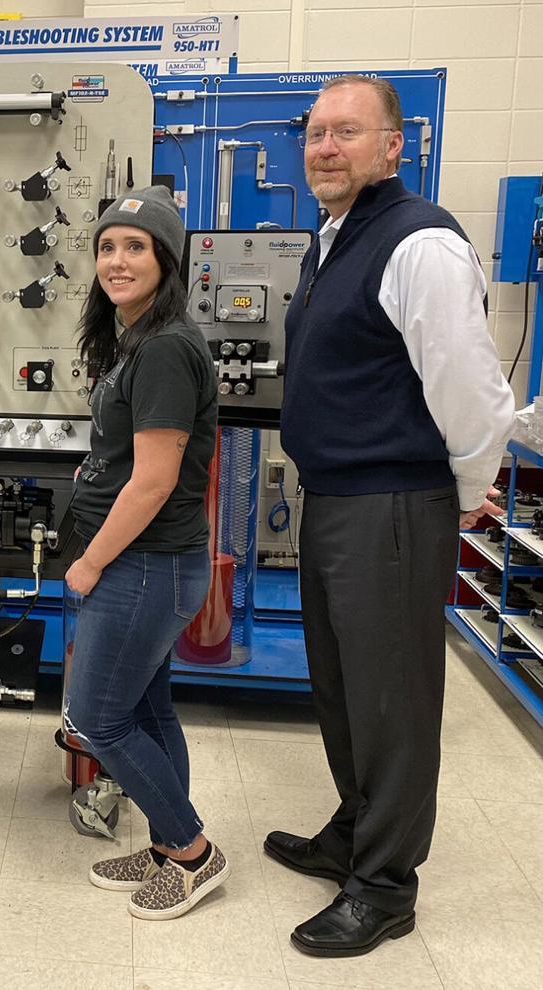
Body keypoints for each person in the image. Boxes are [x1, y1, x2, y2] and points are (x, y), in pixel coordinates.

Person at [269, 74, 516, 957]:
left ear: (392, 146)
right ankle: (354, 831)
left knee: (393, 701)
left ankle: (384, 885)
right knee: (341, 689)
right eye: (315, 133)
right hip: (338, 499)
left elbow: (472, 392)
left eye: (347, 132)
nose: (325, 147)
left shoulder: (419, 243)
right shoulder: (334, 240)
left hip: (392, 507)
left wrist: (457, 493)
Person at [63, 189, 226, 921]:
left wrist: (91, 561)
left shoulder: (164, 345)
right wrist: (95, 469)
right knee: (148, 710)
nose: (117, 261)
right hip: (151, 566)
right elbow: (134, 454)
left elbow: (156, 481)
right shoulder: (137, 337)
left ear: (167, 258)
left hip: (143, 567)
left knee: (98, 718)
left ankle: (192, 853)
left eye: (136, 247)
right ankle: (167, 845)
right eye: (107, 246)